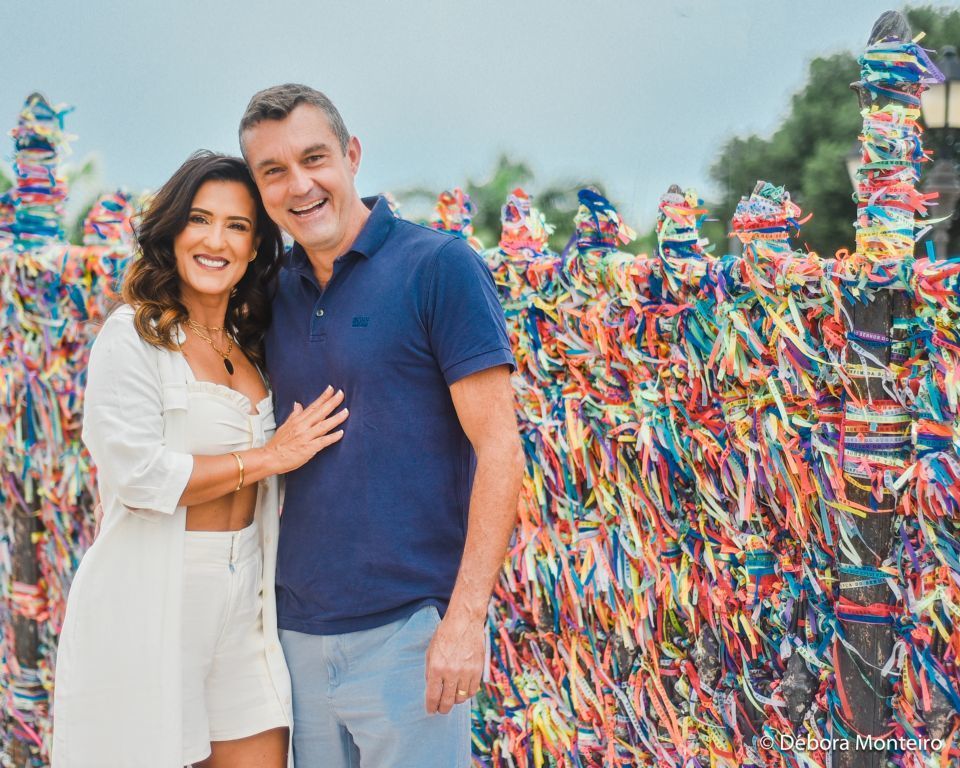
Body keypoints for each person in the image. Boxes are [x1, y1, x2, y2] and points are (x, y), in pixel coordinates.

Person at [238, 84, 525, 767]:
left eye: (314, 158)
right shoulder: (270, 292)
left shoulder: (439, 266)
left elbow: (500, 448)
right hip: (292, 636)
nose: (299, 185)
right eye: (273, 171)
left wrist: (465, 621)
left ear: (353, 155)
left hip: (409, 638)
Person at [52, 151, 348, 768]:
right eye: (199, 219)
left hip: (248, 605)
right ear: (173, 232)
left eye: (237, 226)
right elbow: (139, 477)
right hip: (157, 599)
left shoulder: (251, 346)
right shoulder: (132, 335)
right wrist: (268, 457)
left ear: (254, 245)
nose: (216, 240)